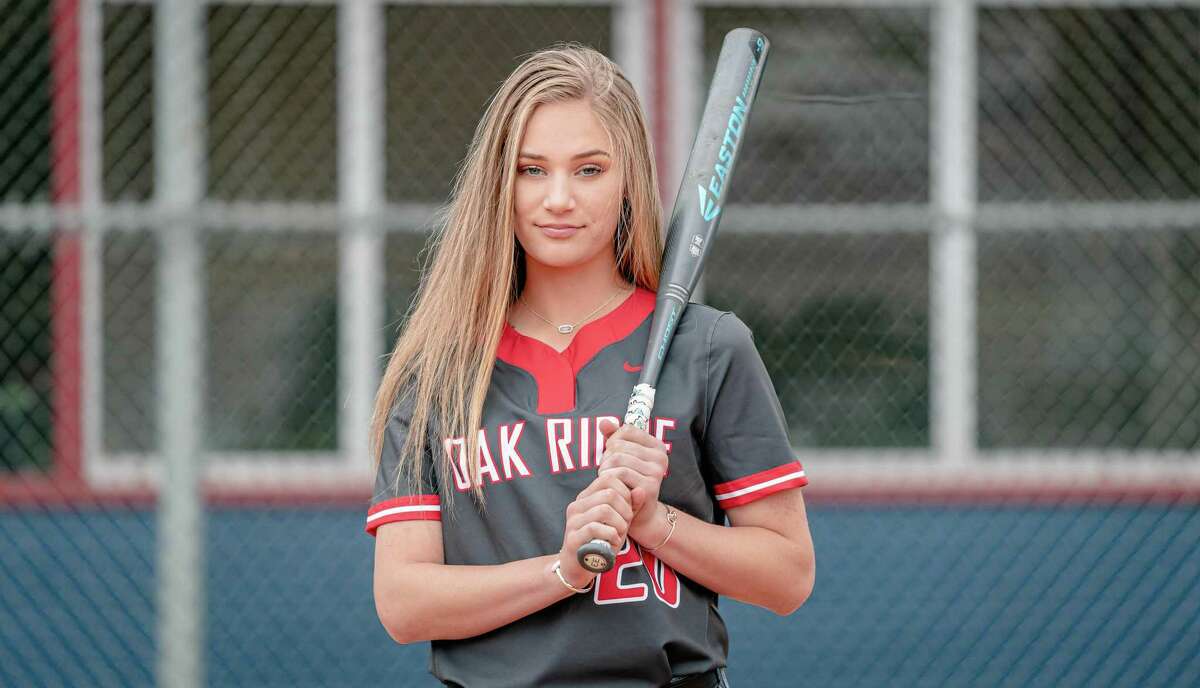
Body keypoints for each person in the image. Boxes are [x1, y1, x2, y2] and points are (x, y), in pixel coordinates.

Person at [365, 42, 815, 688]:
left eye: (589, 170)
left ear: (627, 176)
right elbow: (405, 603)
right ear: (500, 181)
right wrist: (564, 571)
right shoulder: (438, 374)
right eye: (531, 170)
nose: (558, 199)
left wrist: (653, 523)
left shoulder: (709, 349)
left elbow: (788, 574)